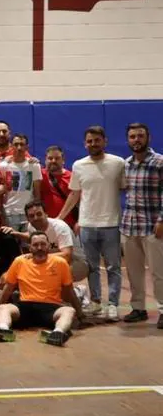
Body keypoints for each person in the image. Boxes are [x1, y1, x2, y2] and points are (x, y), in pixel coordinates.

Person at [57, 126, 126, 321]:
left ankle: (112, 304)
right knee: (92, 267)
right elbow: (74, 194)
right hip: (86, 225)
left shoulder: (118, 163)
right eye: (89, 141)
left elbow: (125, 188)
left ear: (105, 141)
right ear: (84, 143)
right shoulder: (79, 165)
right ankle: (96, 302)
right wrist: (59, 219)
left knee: (113, 267)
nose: (93, 144)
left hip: (112, 224)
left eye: (97, 140)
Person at [0, 232, 85, 347]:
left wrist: (80, 314)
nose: (39, 248)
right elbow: (7, 289)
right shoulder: (19, 261)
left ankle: (57, 334)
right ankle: (3, 330)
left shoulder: (61, 263)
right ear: (29, 247)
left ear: (49, 246)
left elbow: (70, 291)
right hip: (25, 306)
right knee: (4, 308)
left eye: (43, 244)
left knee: (69, 311)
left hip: (51, 308)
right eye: (35, 245)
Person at [120, 123, 163, 326]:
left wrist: (162, 220)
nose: (136, 140)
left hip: (154, 227)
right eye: (132, 137)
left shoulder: (159, 162)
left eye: (140, 136)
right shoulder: (126, 164)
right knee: (134, 271)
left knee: (158, 272)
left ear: (148, 138)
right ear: (128, 140)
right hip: (130, 226)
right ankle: (138, 308)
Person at [0, 133, 42, 230]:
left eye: (22, 144)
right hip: (9, 212)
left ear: (27, 147)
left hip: (29, 213)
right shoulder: (3, 166)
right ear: (11, 146)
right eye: (16, 144)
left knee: (29, 243)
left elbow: (37, 193)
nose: (19, 147)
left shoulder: (34, 166)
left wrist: (37, 213)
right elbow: (1, 191)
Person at [40, 146, 77, 228]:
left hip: (68, 225)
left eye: (57, 158)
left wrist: (79, 223)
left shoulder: (72, 177)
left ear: (63, 160)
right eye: (50, 158)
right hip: (45, 225)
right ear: (45, 160)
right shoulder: (39, 175)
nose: (53, 161)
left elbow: (80, 202)